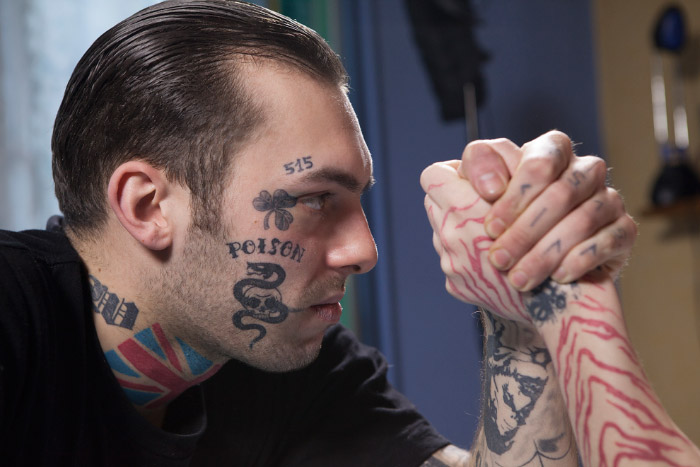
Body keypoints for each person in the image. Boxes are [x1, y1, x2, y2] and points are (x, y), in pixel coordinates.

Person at [0, 1, 635, 465]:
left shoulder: (279, 359)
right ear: (148, 205)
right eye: (314, 201)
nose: (364, 251)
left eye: (356, 201)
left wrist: (520, 319)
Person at [421, 143, 700, 466]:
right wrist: (566, 291)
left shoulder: (358, 389)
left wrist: (530, 307)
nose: (367, 250)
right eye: (344, 201)